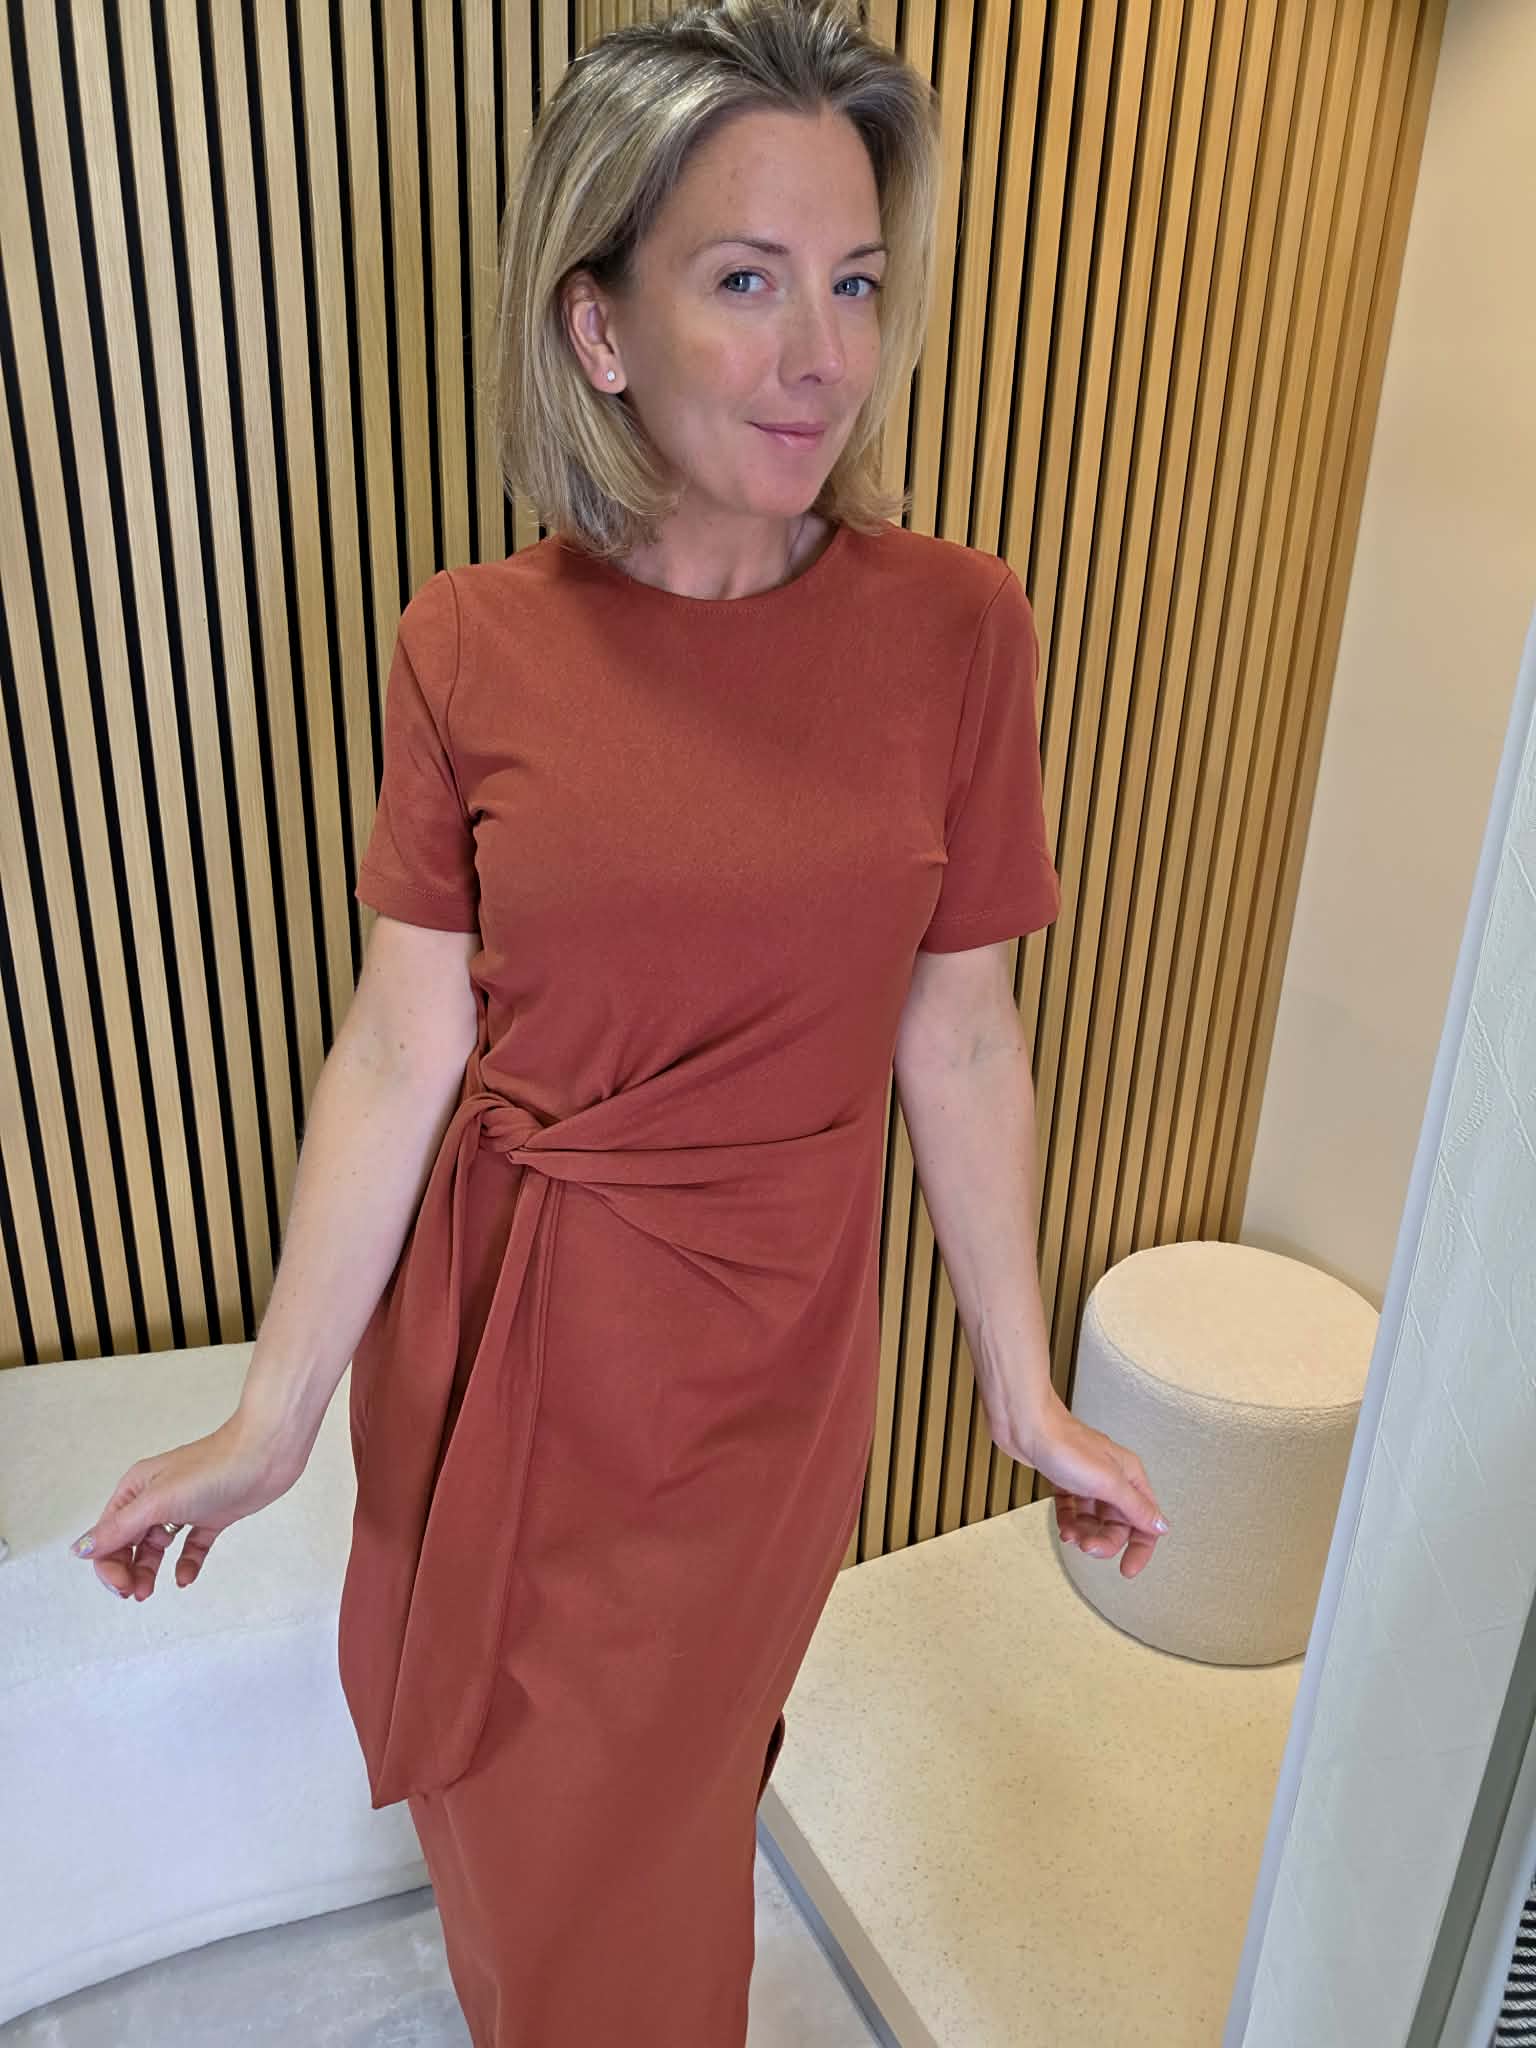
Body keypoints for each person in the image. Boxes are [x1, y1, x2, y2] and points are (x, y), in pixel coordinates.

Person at [66, 0, 1168, 2038]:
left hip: (766, 1382)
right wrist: (273, 1418)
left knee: (662, 1841)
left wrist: (1021, 1386)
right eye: (745, 281)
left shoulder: (959, 630)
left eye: (853, 282)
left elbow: (962, 1035)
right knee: (531, 1849)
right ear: (599, 326)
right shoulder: (468, 644)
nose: (821, 352)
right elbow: (401, 1046)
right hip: (508, 1358)